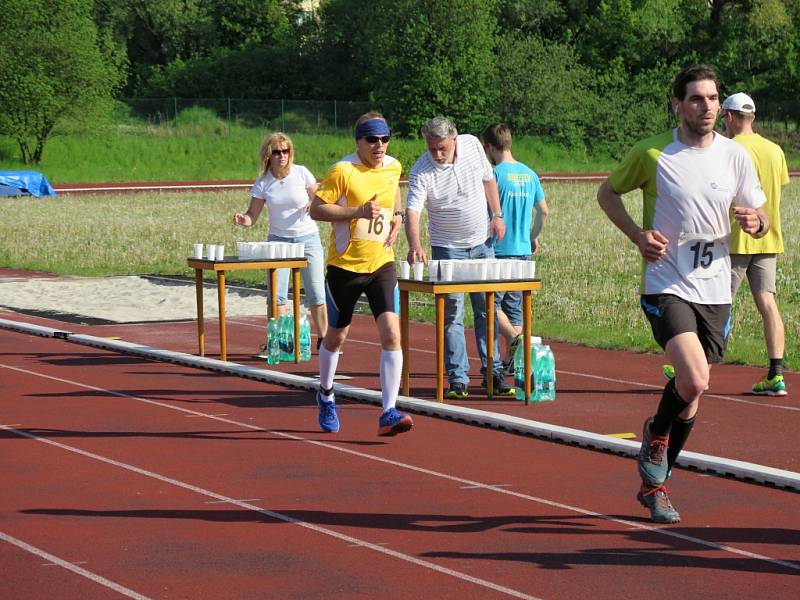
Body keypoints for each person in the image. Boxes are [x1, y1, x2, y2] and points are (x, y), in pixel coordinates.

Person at [596, 65, 769, 524]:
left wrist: (755, 222)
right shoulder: (654, 152)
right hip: (666, 282)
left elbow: (760, 212)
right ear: (678, 104)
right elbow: (607, 193)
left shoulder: (735, 156)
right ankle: (655, 433)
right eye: (697, 99)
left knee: (693, 393)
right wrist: (637, 234)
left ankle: (656, 486)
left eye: (713, 98)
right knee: (693, 377)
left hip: (715, 287)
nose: (708, 106)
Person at [309, 112, 413, 436]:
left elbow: (393, 190)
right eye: (372, 140)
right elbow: (316, 209)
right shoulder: (343, 171)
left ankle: (389, 411)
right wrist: (358, 211)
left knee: (392, 334)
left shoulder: (394, 166)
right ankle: (325, 393)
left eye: (384, 139)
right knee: (337, 337)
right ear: (359, 142)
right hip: (344, 267)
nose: (379, 145)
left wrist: (396, 215)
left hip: (381, 262)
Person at [405, 116, 512, 399]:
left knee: (487, 308)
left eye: (442, 148)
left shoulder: (473, 146)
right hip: (447, 248)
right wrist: (415, 243)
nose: (438, 155)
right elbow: (413, 211)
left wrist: (497, 215)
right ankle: (457, 379)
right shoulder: (421, 170)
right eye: (432, 149)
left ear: (454, 139)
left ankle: (494, 371)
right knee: (452, 313)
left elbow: (488, 180)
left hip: (482, 243)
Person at [233, 132, 327, 356]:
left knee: (316, 292)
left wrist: (313, 203)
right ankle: (280, 341)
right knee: (277, 295)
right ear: (268, 155)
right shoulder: (264, 181)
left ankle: (325, 340)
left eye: (286, 151)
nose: (282, 156)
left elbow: (323, 196)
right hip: (279, 242)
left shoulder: (301, 172)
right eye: (277, 152)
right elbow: (252, 214)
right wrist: (243, 220)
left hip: (307, 239)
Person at [721, 93, 790, 396]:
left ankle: (699, 364)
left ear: (730, 117)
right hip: (768, 236)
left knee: (718, 304)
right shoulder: (775, 150)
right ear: (754, 118)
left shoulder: (726, 149)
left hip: (734, 237)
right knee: (768, 303)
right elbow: (777, 190)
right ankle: (776, 373)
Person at [481, 123, 549, 373]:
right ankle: (514, 361)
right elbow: (543, 211)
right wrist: (533, 235)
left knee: (489, 305)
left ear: (489, 146)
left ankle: (512, 339)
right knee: (514, 308)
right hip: (522, 250)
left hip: (498, 250)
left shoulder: (494, 175)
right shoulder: (529, 174)